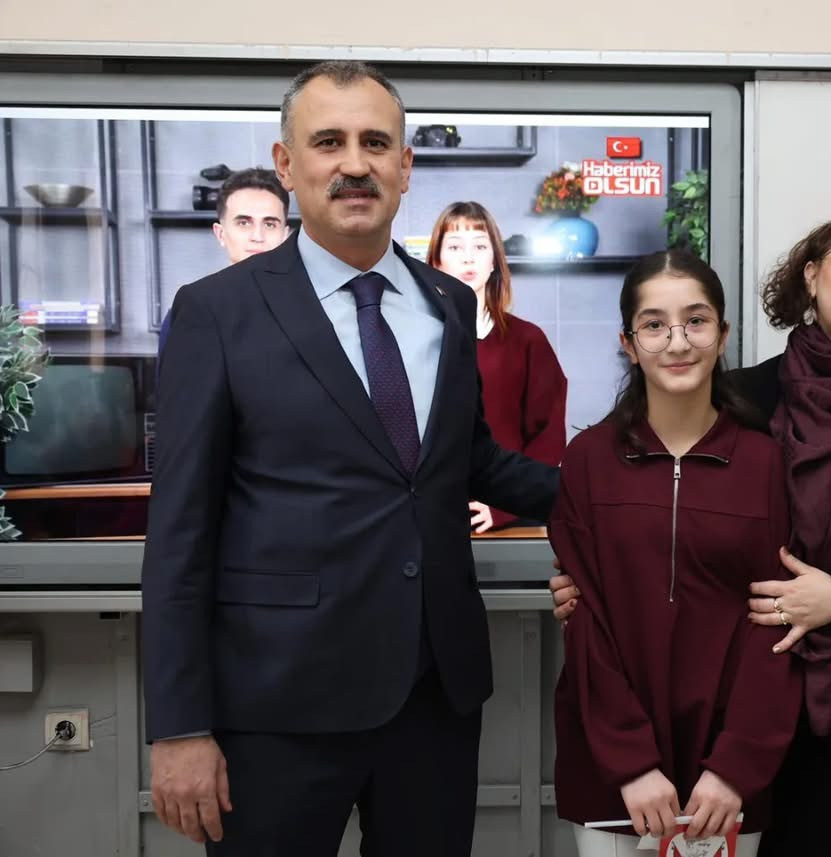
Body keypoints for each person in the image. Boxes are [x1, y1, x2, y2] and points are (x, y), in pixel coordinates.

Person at [141, 60, 558, 857]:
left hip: (432, 697)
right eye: (328, 142)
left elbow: (467, 459)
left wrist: (615, 495)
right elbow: (180, 534)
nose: (355, 163)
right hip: (276, 705)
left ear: (406, 165)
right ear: (287, 163)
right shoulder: (217, 312)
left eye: (376, 143)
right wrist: (179, 724)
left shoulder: (447, 302)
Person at [552, 197, 831, 856]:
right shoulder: (748, 400)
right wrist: (588, 579)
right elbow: (664, 514)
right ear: (812, 274)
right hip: (781, 705)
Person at [550, 249, 800, 857]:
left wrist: (736, 765)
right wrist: (631, 763)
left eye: (696, 321)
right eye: (655, 325)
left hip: (728, 780)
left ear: (723, 335)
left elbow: (777, 623)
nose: (678, 342)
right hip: (613, 772)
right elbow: (586, 623)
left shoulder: (767, 463)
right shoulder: (588, 461)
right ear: (629, 344)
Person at [429, 201, 567, 533]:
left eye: (480, 246)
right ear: (436, 260)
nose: (468, 258)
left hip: (511, 516)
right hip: (432, 515)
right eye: (455, 247)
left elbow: (548, 435)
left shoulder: (527, 339)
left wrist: (502, 506)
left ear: (494, 260)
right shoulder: (416, 337)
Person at [157, 167, 290, 356]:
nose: (257, 236)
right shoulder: (189, 315)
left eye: (269, 224)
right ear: (221, 234)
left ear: (285, 236)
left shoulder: (311, 312)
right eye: (244, 223)